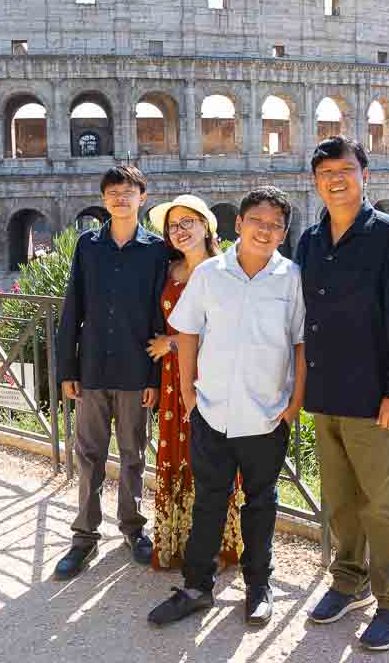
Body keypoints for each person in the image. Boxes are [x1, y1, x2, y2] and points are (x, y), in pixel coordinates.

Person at [148, 186, 306, 628]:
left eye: (275, 225)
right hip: (212, 410)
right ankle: (197, 587)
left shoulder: (291, 277)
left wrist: (294, 403)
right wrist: (189, 395)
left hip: (266, 413)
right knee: (210, 501)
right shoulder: (210, 274)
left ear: (283, 233)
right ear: (238, 224)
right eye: (257, 221)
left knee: (261, 503)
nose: (265, 230)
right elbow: (188, 334)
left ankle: (259, 586)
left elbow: (299, 342)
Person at [295, 136, 389, 651]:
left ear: (364, 175)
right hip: (328, 393)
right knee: (341, 502)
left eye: (346, 169)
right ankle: (347, 581)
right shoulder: (310, 240)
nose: (336, 178)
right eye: (326, 171)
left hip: (379, 399)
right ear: (315, 181)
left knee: (385, 503)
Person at [54, 165, 167, 580]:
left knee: (134, 455)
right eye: (113, 192)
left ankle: (134, 530)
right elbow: (73, 308)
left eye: (128, 191)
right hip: (93, 370)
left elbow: (161, 316)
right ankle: (83, 537)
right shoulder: (88, 245)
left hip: (138, 370)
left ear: (143, 197)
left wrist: (155, 378)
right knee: (88, 457)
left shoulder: (157, 251)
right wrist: (67, 367)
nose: (120, 198)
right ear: (104, 199)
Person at [144, 195, 242, 571]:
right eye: (173, 225)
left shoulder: (225, 271)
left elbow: (228, 328)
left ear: (206, 226)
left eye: (188, 222)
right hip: (173, 379)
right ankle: (181, 540)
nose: (180, 230)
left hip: (212, 377)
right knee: (178, 452)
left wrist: (170, 342)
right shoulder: (171, 271)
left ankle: (215, 544)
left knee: (213, 459)